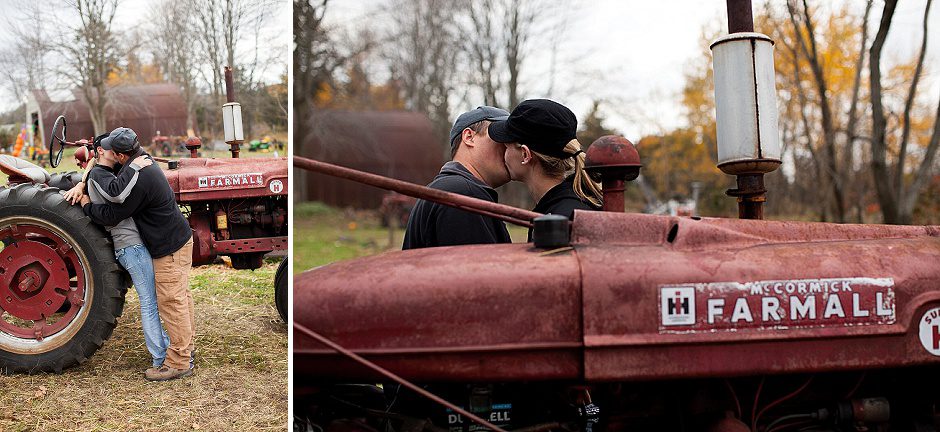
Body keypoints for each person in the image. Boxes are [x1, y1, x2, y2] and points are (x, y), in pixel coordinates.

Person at [78, 127, 196, 382]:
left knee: (171, 302)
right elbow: (100, 172)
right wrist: (82, 181)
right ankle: (185, 351)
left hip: (169, 247)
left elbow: (114, 212)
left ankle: (178, 361)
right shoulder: (141, 163)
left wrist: (86, 205)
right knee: (180, 298)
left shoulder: (138, 177)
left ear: (122, 155)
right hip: (177, 239)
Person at [62, 136, 171, 372]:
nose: (119, 152)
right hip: (130, 247)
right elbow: (115, 209)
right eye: (113, 149)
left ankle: (167, 348)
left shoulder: (100, 171)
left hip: (132, 246)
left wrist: (82, 182)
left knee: (152, 301)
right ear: (101, 151)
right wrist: (87, 203)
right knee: (150, 303)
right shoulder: (101, 176)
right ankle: (160, 357)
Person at [488, 99, 602, 240]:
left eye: (506, 147)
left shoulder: (562, 220)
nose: (503, 154)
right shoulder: (573, 204)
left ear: (525, 154)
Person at [402, 106, 514, 249]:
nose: (509, 148)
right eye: (501, 136)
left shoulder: (449, 188)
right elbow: (477, 270)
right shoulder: (464, 194)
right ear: (469, 137)